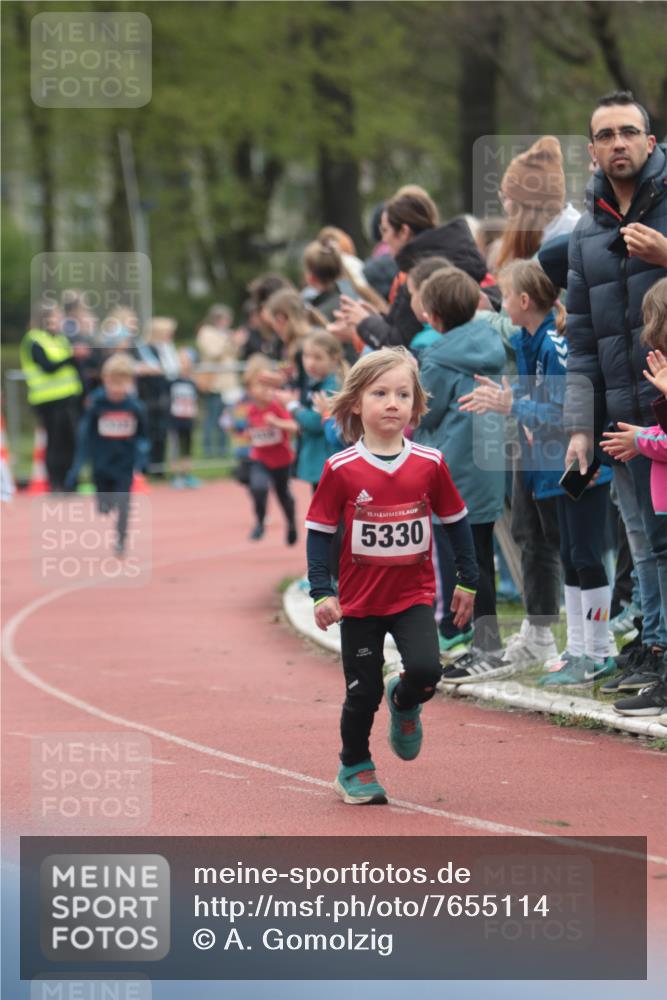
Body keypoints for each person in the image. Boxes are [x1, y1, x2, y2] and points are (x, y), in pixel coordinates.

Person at [305, 347, 478, 804]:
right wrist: (321, 592)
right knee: (362, 692)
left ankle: (404, 703)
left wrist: (468, 579)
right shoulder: (340, 469)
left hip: (413, 597)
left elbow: (457, 522)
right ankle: (355, 766)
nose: (392, 402)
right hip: (360, 603)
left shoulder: (429, 462)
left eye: (403, 393)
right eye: (380, 393)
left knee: (426, 670)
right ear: (356, 403)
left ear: (417, 405)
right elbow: (319, 534)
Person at [461, 259, 615, 685]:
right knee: (568, 555)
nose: (501, 302)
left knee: (585, 556)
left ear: (524, 301)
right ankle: (577, 648)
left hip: (576, 467)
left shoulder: (553, 343)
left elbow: (569, 411)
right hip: (546, 471)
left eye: (506, 295)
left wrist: (514, 406)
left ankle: (600, 649)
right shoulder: (529, 342)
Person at [565, 90, 667, 696]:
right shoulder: (585, 231)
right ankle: (654, 646)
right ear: (593, 150)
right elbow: (580, 336)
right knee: (643, 542)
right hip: (621, 416)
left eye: (629, 132)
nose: (618, 144)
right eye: (606, 135)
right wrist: (580, 423)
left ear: (651, 143)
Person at [415, 267, 506, 677]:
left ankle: (487, 649)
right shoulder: (491, 340)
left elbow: (425, 410)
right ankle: (483, 643)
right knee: (482, 557)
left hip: (454, 468)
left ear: (433, 316)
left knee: (469, 564)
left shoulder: (437, 356)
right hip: (487, 462)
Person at [331, 186, 494, 350]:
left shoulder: (424, 270)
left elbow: (399, 344)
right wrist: (374, 318)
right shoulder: (450, 255)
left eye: (385, 230)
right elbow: (402, 329)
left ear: (404, 231)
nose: (384, 240)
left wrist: (364, 322)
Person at [64, 353, 148, 556]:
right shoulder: (96, 404)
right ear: (105, 380)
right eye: (112, 382)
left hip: (124, 463)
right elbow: (85, 434)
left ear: (129, 383)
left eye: (122, 383)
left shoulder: (135, 407)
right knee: (104, 506)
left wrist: (142, 460)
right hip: (101, 462)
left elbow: (143, 436)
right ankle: (103, 502)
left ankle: (121, 540)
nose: (116, 388)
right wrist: (78, 465)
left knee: (124, 502)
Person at [20, 303, 85, 492]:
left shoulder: (60, 339)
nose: (60, 321)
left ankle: (70, 482)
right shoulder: (34, 340)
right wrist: (71, 358)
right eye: (56, 317)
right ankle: (56, 482)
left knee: (70, 441)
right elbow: (48, 366)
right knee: (56, 442)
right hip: (48, 400)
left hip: (68, 398)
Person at [495, 135, 581, 273]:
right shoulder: (564, 241)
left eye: (506, 197)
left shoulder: (557, 258)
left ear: (528, 207)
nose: (505, 206)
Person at [280, 330, 346, 490]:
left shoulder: (332, 386)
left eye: (317, 357)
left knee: (329, 512)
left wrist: (292, 406)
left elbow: (317, 421)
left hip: (326, 459)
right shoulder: (318, 383)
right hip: (321, 459)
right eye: (306, 356)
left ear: (334, 358)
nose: (310, 363)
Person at [243, 356, 298, 545]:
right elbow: (249, 431)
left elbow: (293, 426)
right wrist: (248, 434)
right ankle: (259, 522)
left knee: (283, 496)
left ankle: (291, 524)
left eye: (268, 387)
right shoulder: (250, 409)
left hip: (281, 460)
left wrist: (277, 422)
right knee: (258, 487)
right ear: (250, 389)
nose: (265, 391)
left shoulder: (276, 405)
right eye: (259, 386)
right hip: (260, 458)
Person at [168, 348, 200, 489]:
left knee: (187, 447)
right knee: (174, 447)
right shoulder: (172, 381)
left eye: (187, 362)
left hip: (188, 419)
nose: (184, 365)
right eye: (181, 362)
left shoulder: (192, 383)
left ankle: (187, 474)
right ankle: (176, 476)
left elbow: (195, 400)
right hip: (174, 419)